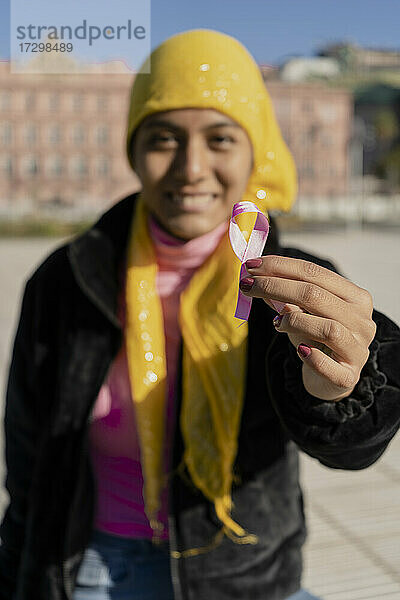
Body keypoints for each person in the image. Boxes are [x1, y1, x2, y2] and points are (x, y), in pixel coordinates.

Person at [0, 29, 399, 600]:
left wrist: (340, 393)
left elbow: (354, 447)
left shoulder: (292, 284)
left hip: (245, 576)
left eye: (219, 138)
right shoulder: (67, 280)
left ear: (254, 149)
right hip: (88, 565)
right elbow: (28, 456)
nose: (191, 168)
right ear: (133, 151)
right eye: (163, 137)